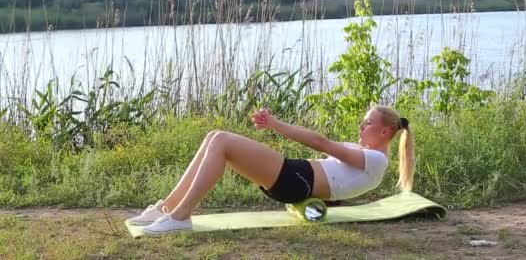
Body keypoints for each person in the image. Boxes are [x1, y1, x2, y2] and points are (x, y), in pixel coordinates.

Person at [126, 105, 415, 235]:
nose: (361, 126)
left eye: (367, 123)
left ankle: (181, 216)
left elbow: (319, 141)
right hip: (297, 178)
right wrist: (275, 125)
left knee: (223, 141)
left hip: (298, 180)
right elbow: (317, 140)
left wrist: (275, 124)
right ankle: (167, 208)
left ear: (385, 131)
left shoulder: (377, 160)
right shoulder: (364, 152)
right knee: (215, 137)